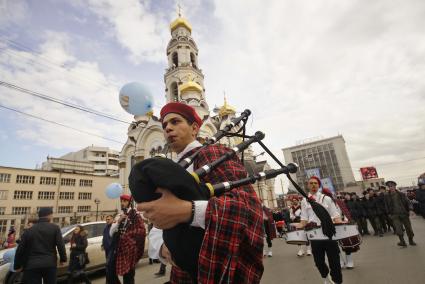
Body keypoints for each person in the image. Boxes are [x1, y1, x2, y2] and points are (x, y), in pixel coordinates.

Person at [137, 102, 264, 283]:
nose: (168, 129)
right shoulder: (172, 168)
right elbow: (160, 216)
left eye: (175, 121)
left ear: (195, 128)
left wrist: (187, 211)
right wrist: (162, 247)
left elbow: (247, 207)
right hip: (182, 273)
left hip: (216, 268)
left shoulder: (213, 153)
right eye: (165, 125)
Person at [299, 176, 343, 284]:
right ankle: (325, 276)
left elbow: (335, 215)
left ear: (319, 185)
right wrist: (297, 228)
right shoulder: (305, 201)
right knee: (318, 262)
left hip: (329, 232)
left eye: (315, 183)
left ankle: (337, 281)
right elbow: (304, 218)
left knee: (335, 261)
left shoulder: (326, 198)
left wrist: (341, 226)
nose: (313, 185)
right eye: (311, 183)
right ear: (308, 186)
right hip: (315, 234)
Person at [14, 207, 67, 284]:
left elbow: (20, 249)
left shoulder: (29, 230)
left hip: (32, 265)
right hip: (49, 263)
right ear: (49, 215)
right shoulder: (55, 228)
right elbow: (60, 245)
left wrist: (17, 265)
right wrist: (63, 259)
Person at [107, 194, 146, 284]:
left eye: (124, 201)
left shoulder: (135, 215)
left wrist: (128, 237)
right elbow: (111, 232)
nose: (122, 203)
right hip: (118, 248)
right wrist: (119, 221)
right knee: (111, 271)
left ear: (129, 202)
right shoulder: (119, 215)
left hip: (130, 248)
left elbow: (141, 231)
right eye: (121, 201)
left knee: (128, 274)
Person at [384, 181, 416, 247]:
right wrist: (389, 214)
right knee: (398, 229)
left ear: (395, 186)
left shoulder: (401, 194)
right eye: (389, 186)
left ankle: (411, 240)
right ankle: (402, 242)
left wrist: (410, 210)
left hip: (404, 214)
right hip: (395, 215)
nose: (391, 187)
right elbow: (386, 206)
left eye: (392, 186)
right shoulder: (387, 196)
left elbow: (408, 202)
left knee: (409, 228)